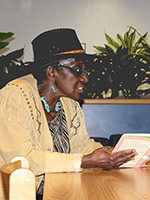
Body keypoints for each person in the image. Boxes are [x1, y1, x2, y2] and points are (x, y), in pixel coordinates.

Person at [0, 28, 137, 196]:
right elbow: (21, 159)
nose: (85, 78)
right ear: (51, 72)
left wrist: (113, 154)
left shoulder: (69, 103)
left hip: (61, 191)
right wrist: (84, 161)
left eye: (85, 72)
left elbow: (82, 145)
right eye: (77, 70)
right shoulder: (15, 95)